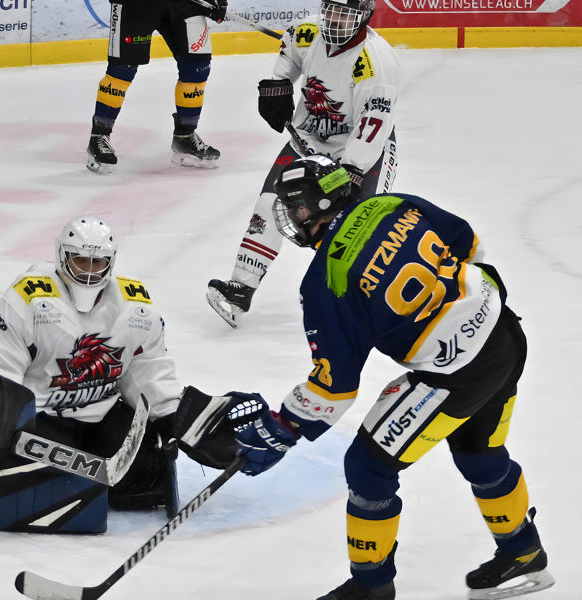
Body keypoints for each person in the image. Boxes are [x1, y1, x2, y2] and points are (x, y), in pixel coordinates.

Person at [229, 155, 555, 599]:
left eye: (295, 207)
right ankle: (523, 553)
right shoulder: (393, 204)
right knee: (481, 451)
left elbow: (333, 388)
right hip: (505, 333)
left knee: (367, 466)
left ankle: (372, 588)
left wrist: (283, 426)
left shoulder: (327, 278)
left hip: (455, 374)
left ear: (315, 206)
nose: (291, 217)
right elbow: (470, 243)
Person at [0, 215, 263, 533]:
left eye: (98, 263)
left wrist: (174, 416)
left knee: (145, 483)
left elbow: (147, 369)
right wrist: (1, 416)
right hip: (42, 419)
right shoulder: (31, 297)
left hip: (100, 413)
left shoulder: (136, 306)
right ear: (62, 257)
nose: (89, 271)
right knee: (35, 482)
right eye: (81, 261)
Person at [206, 0, 400, 327]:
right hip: (306, 140)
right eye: (331, 10)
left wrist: (352, 170)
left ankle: (357, 301)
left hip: (363, 151)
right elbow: (291, 52)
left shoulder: (375, 62)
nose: (335, 20)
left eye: (345, 14)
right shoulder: (307, 31)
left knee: (353, 231)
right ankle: (241, 287)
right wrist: (279, 85)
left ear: (364, 15)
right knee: (270, 203)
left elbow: (373, 124)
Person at [85, 0, 228, 174]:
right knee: (122, 70)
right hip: (137, 5)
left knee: (197, 67)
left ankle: (185, 136)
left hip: (185, 4)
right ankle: (99, 136)